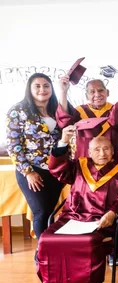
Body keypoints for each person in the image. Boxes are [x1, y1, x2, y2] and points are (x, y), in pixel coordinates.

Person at [35, 129, 118, 283]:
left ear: (113, 152)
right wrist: (63, 141)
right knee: (46, 239)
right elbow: (58, 169)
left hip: (103, 222)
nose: (102, 153)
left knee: (88, 242)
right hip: (71, 218)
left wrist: (112, 214)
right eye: (96, 149)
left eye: (106, 149)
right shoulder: (78, 166)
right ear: (89, 152)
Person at [5, 73, 64, 240]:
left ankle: (50, 249)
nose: (42, 89)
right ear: (29, 89)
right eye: (37, 86)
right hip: (32, 170)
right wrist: (28, 172)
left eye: (46, 86)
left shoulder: (56, 109)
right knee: (41, 211)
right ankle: (42, 252)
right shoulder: (18, 111)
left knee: (51, 211)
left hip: (55, 170)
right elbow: (13, 145)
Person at [56, 77, 118, 158]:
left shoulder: (116, 111)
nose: (97, 94)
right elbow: (65, 120)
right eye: (92, 92)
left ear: (107, 92)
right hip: (85, 160)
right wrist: (63, 92)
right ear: (87, 96)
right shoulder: (80, 112)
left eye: (100, 90)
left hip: (111, 160)